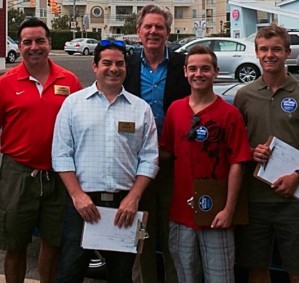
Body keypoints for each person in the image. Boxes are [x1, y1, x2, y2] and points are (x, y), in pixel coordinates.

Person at [52, 40, 159, 283]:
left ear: (126, 67)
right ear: (95, 66)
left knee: (121, 275)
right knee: (69, 272)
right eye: (107, 63)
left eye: (119, 63)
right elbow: (61, 154)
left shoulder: (140, 109)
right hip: (82, 205)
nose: (113, 69)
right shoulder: (73, 104)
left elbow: (150, 158)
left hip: (124, 208)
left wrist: (133, 198)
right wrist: (77, 195)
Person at [159, 45, 252, 283]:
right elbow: (165, 153)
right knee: (185, 275)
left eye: (205, 68)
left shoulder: (229, 114)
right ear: (185, 72)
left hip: (216, 211)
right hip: (180, 212)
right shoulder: (175, 110)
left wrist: (229, 209)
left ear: (215, 72)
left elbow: (238, 164)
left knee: (220, 277)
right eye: (193, 68)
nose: (198, 73)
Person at [0, 17, 82, 283]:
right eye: (27, 42)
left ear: (49, 43)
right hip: (17, 173)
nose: (34, 47)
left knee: (53, 241)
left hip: (59, 175)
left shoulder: (69, 81)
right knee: (15, 243)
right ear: (19, 46)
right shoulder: (6, 83)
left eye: (40, 41)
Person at [123, 5, 191, 283]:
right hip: (136, 166)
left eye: (159, 27)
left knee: (174, 233)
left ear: (168, 32)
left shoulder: (183, 64)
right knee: (141, 233)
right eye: (148, 27)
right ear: (138, 32)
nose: (153, 32)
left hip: (174, 164)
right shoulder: (125, 66)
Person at [234, 23, 299, 283]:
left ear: (287, 52)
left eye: (276, 49)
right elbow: (235, 145)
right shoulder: (244, 95)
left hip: (294, 200)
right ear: (256, 52)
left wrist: (297, 175)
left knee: (296, 270)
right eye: (264, 49)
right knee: (257, 268)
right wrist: (250, 152)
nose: (269, 55)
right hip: (255, 198)